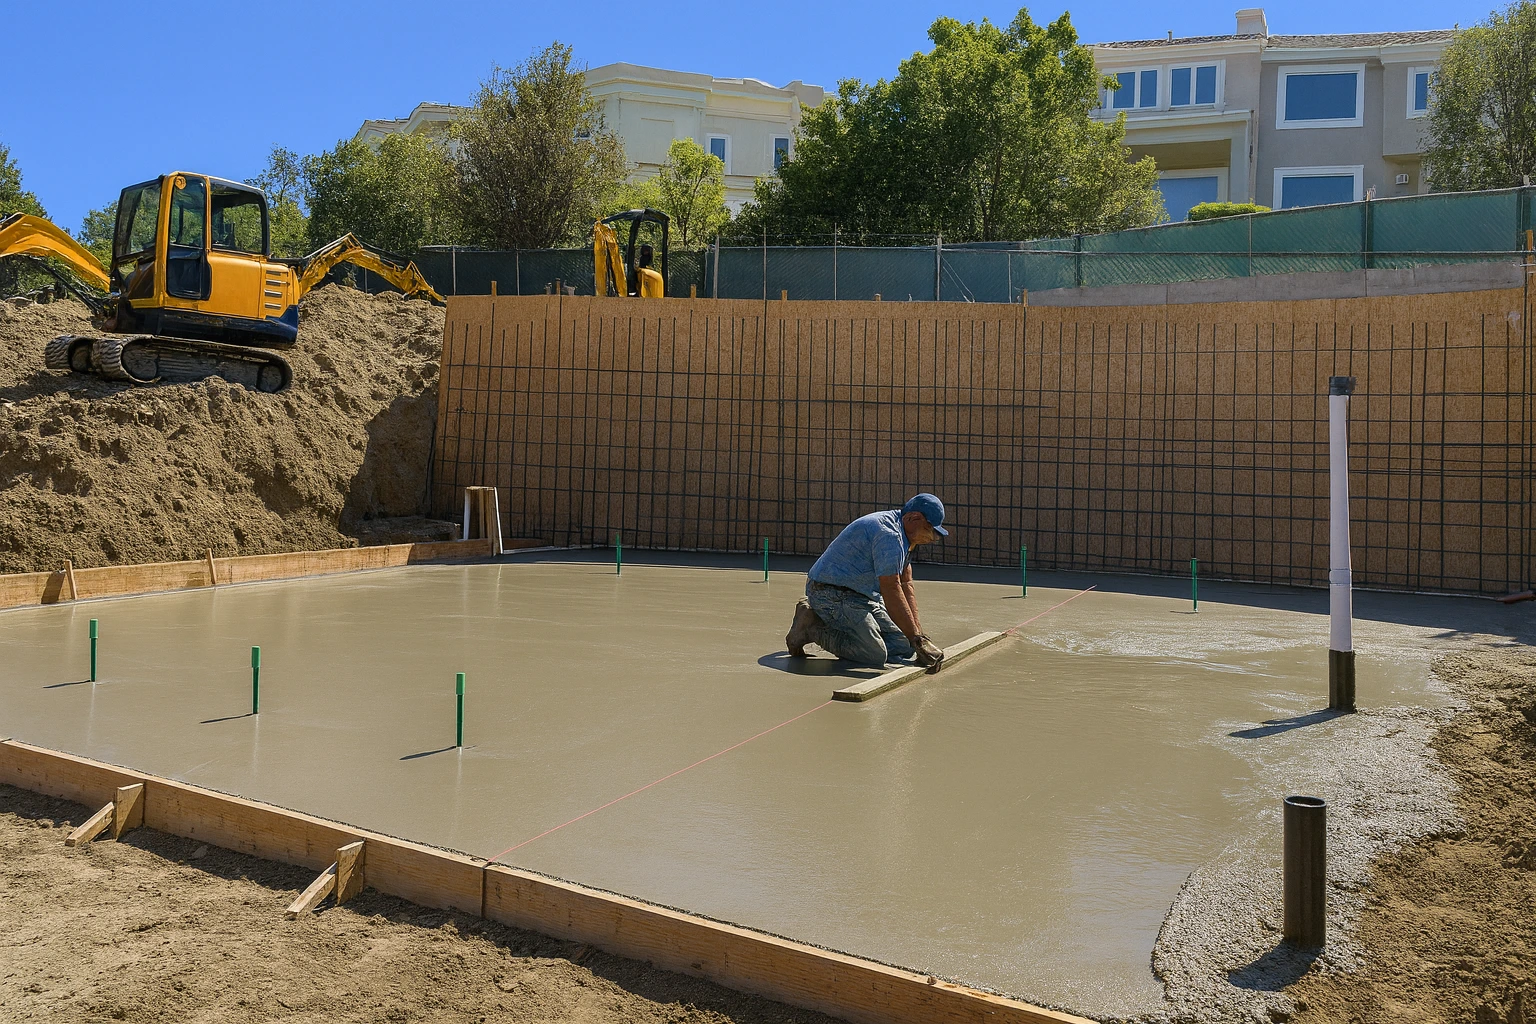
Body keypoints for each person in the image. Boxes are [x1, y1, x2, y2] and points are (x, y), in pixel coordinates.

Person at [785, 493, 949, 672]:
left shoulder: (905, 539)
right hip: (829, 593)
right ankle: (810, 627)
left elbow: (905, 584)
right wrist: (919, 641)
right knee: (874, 654)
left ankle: (861, 642)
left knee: (904, 645)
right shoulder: (890, 536)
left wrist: (918, 639)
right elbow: (891, 588)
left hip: (861, 596)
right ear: (913, 518)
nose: (933, 537)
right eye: (929, 529)